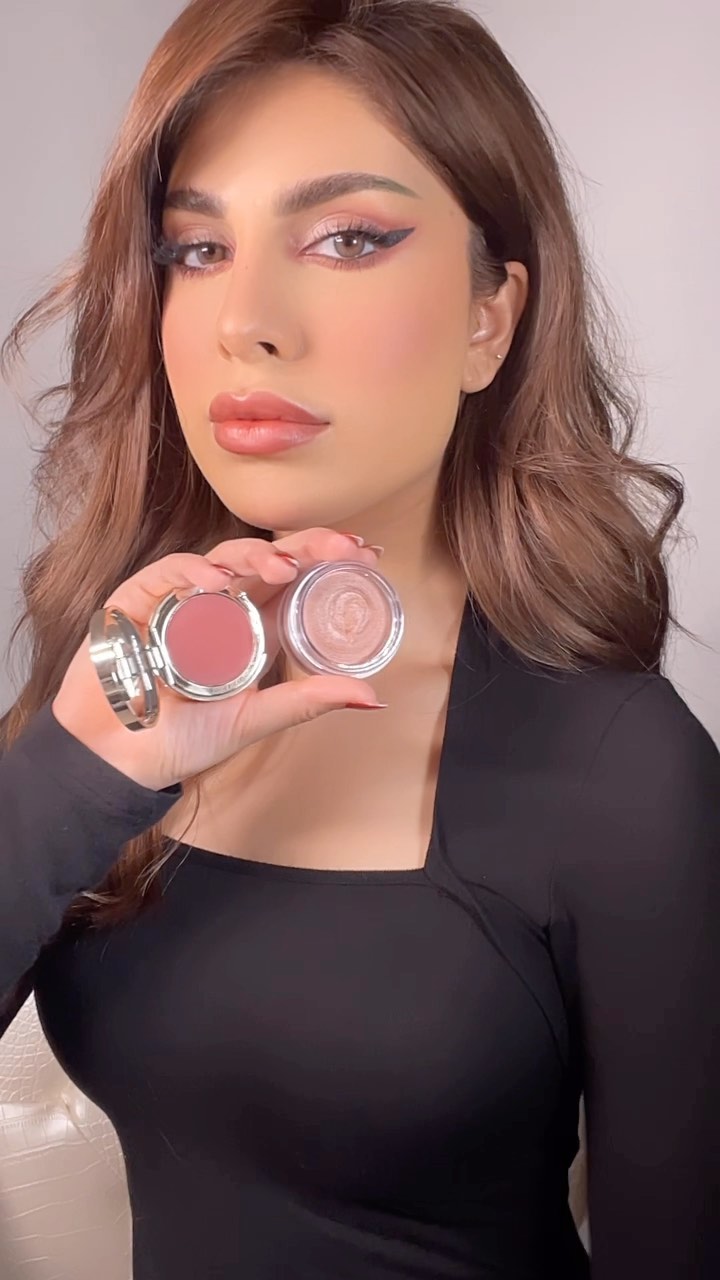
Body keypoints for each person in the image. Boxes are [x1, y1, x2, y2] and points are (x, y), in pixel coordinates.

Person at [0, 0, 718, 1276]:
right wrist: (77, 767)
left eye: (347, 238)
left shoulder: (620, 765)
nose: (247, 320)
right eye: (196, 249)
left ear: (491, 317)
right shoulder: (126, 673)